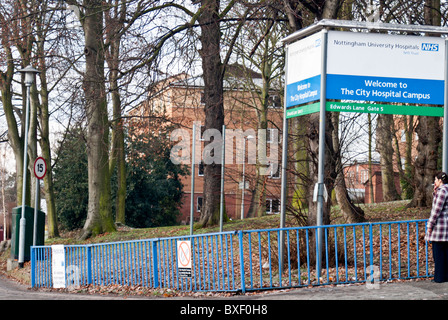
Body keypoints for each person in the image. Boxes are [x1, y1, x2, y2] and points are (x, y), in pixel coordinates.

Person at [426, 171, 448, 283]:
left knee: (438, 255)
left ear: (440, 180)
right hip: (446, 229)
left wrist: (430, 225)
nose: (434, 182)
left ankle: (439, 277)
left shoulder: (442, 191)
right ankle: (444, 276)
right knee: (445, 254)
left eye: (435, 180)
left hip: (440, 229)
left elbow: (436, 211)